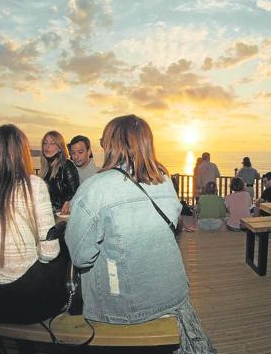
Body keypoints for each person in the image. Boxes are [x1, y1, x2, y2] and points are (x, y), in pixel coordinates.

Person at [66, 114, 217, 353]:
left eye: (103, 141)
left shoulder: (95, 188)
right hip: (172, 293)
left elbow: (80, 256)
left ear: (113, 144)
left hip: (125, 306)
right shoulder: (164, 180)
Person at [0, 124, 67, 323]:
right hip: (29, 299)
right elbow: (49, 254)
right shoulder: (33, 186)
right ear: (22, 153)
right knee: (62, 247)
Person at [40, 131, 80, 214]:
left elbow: (75, 195)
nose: (47, 146)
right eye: (45, 143)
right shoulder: (46, 168)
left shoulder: (67, 166)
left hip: (61, 216)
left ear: (59, 147)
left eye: (52, 143)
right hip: (47, 214)